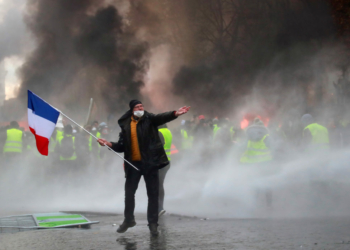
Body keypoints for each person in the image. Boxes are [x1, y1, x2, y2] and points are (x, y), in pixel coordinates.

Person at [98, 100, 190, 235]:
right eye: (137, 107)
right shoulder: (126, 125)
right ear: (132, 110)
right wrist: (109, 144)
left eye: (142, 106)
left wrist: (175, 113)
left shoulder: (149, 119)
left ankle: (153, 224)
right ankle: (129, 220)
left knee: (152, 195)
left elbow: (162, 117)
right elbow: (122, 146)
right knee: (129, 194)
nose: (141, 108)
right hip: (133, 165)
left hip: (150, 163)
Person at [158, 124, 172, 217]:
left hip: (160, 162)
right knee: (159, 184)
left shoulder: (159, 132)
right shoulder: (168, 131)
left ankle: (159, 208)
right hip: (167, 162)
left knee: (157, 184)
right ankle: (159, 207)